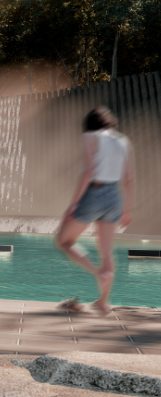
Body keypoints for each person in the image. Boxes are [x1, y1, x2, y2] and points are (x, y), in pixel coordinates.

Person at [55, 106, 134, 315]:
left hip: (95, 192)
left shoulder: (91, 136)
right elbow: (128, 178)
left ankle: (98, 273)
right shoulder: (123, 141)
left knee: (64, 241)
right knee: (107, 251)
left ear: (90, 124)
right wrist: (128, 209)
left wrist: (74, 203)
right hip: (115, 195)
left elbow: (89, 171)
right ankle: (103, 302)